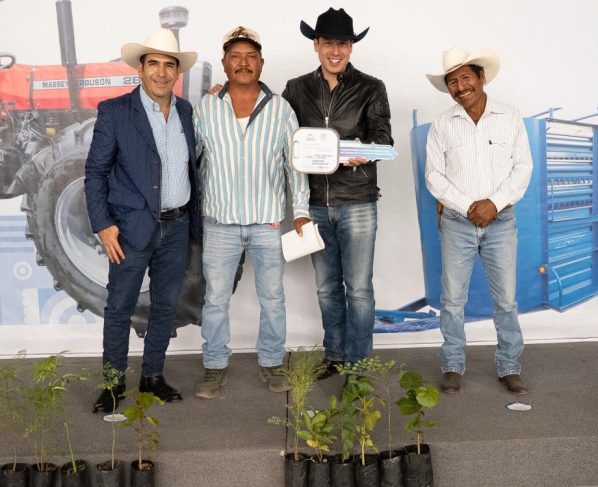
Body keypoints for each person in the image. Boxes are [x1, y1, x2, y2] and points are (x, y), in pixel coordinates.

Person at [85, 29, 200, 411]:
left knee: (165, 306)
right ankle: (113, 385)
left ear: (177, 72)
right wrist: (102, 224)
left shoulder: (186, 111)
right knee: (120, 307)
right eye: (154, 64)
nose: (161, 73)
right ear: (140, 68)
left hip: (177, 226)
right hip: (131, 229)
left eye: (169, 65)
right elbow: (95, 173)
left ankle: (153, 377)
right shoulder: (115, 112)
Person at [193, 26, 310, 399]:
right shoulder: (206, 107)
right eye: (235, 56)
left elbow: (295, 165)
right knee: (215, 299)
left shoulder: (281, 109)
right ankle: (214, 366)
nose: (243, 63)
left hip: (267, 222)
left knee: (272, 297)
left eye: (250, 57)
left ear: (261, 63)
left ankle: (272, 362)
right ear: (224, 62)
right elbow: (192, 162)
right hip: (219, 222)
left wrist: (301, 210)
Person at [282, 8, 393, 378]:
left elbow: (384, 139)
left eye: (342, 43)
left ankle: (358, 366)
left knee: (358, 290)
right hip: (314, 204)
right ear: (316, 44)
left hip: (358, 202)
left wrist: (366, 149)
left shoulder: (371, 87)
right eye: (328, 42)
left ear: (351, 47)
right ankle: (334, 356)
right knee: (327, 289)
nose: (335, 50)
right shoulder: (296, 89)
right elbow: (281, 135)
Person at [425, 47, 533, 395]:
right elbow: (434, 176)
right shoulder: (442, 124)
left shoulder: (510, 117)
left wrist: (494, 204)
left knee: (506, 301)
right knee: (452, 300)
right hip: (456, 223)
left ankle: (510, 366)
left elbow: (523, 168)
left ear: (481, 77)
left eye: (466, 77)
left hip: (501, 223)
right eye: (452, 82)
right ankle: (452, 364)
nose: (460, 87)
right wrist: (469, 207)